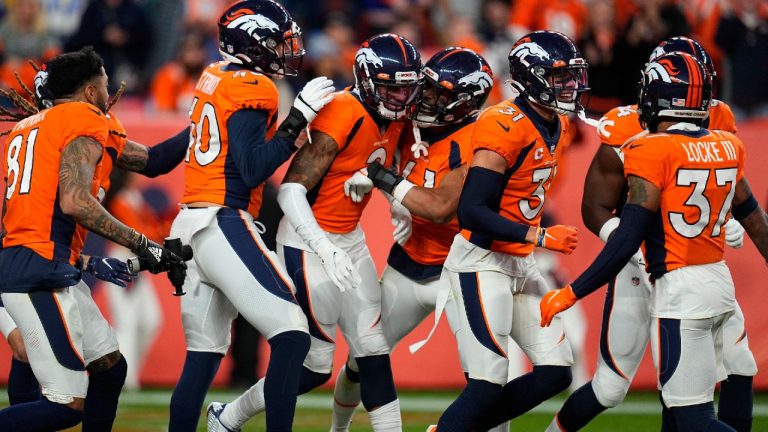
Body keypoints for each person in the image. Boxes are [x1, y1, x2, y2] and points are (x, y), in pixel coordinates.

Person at [540, 51, 768, 432]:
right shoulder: (729, 143)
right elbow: (754, 216)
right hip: (681, 274)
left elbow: (633, 231)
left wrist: (573, 292)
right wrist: (724, 217)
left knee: (701, 396)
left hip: (677, 281)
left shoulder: (650, 147)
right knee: (615, 387)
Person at [208, 33, 422, 432]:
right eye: (393, 87)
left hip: (350, 239)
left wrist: (376, 186)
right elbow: (290, 190)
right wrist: (324, 248)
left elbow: (375, 166)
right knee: (316, 366)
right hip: (307, 242)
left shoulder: (395, 118)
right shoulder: (343, 111)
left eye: (407, 88)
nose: (402, 98)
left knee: (373, 349)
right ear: (369, 80)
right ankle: (230, 416)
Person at [166, 1, 336, 431]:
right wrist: (296, 121)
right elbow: (254, 167)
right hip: (223, 222)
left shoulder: (214, 76)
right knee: (294, 335)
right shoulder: (252, 86)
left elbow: (165, 156)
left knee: (202, 359)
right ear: (254, 42)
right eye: (279, 42)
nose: (286, 50)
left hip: (189, 225)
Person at [0, 46, 184, 432]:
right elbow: (75, 202)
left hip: (42, 262)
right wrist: (142, 243)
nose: (108, 92)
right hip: (38, 270)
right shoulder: (83, 118)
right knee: (66, 405)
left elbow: (153, 160)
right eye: (103, 84)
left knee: (110, 370)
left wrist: (203, 122)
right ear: (88, 91)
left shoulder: (32, 126)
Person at [431, 30, 588, 432]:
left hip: (518, 261)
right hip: (481, 261)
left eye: (572, 76)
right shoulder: (503, 122)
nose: (570, 85)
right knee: (486, 381)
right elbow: (471, 211)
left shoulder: (559, 124)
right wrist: (538, 236)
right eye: (560, 76)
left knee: (556, 371)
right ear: (532, 77)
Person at [330, 46, 494, 431]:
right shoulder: (406, 122)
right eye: (428, 88)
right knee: (363, 358)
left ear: (464, 103)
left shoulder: (475, 141)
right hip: (406, 265)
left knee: (485, 377)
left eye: (440, 94)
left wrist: (386, 182)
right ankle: (338, 429)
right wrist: (396, 202)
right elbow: (388, 161)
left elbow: (440, 207)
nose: (427, 98)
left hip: (457, 272)